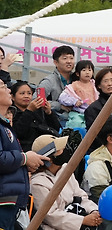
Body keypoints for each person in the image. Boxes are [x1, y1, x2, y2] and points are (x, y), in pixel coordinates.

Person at [30, 133, 104, 230]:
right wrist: (83, 220)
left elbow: (80, 195)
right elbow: (50, 215)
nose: (65, 151)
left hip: (77, 214)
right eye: (60, 150)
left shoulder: (66, 169)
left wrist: (93, 211)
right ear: (50, 159)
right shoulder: (37, 183)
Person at [0, 80, 47, 230]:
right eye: (3, 86)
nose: (8, 90)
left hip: (10, 199)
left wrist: (24, 166)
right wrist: (25, 158)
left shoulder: (4, 125)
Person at [12, 81, 61, 151]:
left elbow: (56, 128)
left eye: (29, 93)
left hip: (46, 145)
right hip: (27, 150)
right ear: (13, 97)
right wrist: (29, 111)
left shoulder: (38, 110)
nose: (26, 96)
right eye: (22, 93)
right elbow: (19, 133)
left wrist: (49, 113)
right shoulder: (11, 112)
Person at [39, 46, 77, 125]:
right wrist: (59, 106)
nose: (69, 61)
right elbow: (36, 100)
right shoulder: (48, 81)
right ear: (56, 62)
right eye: (65, 58)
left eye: (71, 58)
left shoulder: (78, 79)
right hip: (56, 121)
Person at [84, 70, 112, 134]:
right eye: (105, 81)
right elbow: (93, 134)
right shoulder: (93, 108)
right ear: (99, 85)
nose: (110, 84)